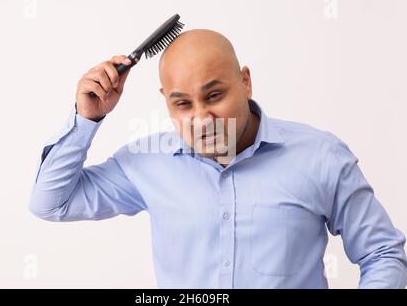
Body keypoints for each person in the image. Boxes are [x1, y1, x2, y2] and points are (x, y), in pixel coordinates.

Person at [29, 29, 407, 288]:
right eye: (182, 103)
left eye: (213, 96)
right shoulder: (146, 163)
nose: (202, 119)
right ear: (165, 99)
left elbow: (382, 252)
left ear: (245, 81)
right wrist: (88, 117)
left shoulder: (320, 156)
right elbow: (51, 203)